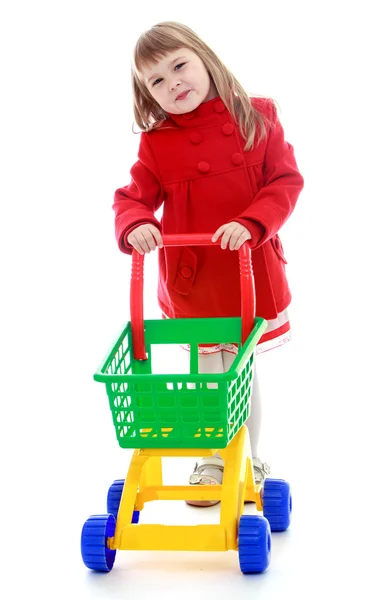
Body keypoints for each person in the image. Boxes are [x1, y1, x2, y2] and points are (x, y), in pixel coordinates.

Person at [113, 21, 304, 506]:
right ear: (148, 95)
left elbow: (284, 181)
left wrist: (254, 220)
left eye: (179, 66)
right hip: (193, 277)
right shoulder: (158, 143)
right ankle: (212, 459)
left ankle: (250, 457)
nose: (173, 83)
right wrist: (135, 222)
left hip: (248, 271)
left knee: (239, 371)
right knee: (207, 371)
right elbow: (132, 197)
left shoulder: (257, 116)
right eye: (156, 81)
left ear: (205, 58)